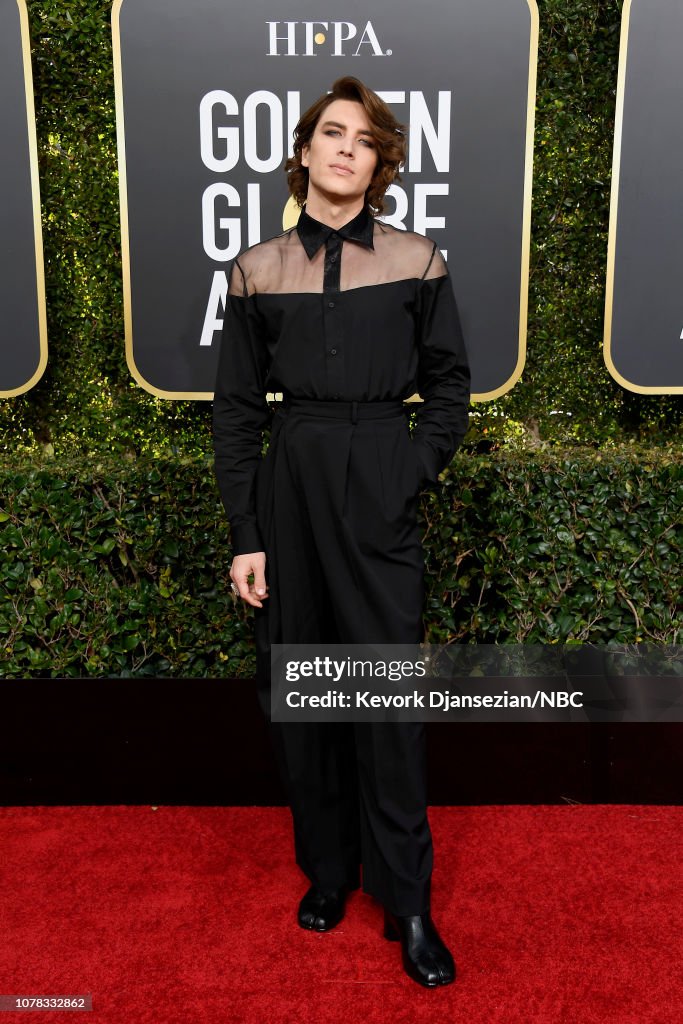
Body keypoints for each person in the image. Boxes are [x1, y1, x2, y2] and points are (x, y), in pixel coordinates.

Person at [213, 76, 470, 988]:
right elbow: (236, 414)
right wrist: (249, 534)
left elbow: (449, 389)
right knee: (305, 692)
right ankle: (328, 873)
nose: (345, 149)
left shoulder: (417, 259)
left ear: (379, 162)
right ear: (306, 150)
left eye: (363, 140)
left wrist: (406, 470)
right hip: (290, 480)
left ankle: (407, 903)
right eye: (332, 133)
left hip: (378, 475)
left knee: (388, 702)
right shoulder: (254, 269)